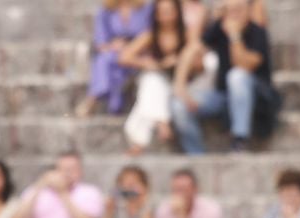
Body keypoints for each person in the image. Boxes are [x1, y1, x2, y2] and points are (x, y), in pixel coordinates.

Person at [172, 0, 275, 155]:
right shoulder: (219, 28)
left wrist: (234, 37)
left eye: (238, 9)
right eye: (230, 10)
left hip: (256, 97)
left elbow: (245, 65)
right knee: (178, 105)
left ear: (248, 10)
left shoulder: (258, 33)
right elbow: (191, 50)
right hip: (222, 96)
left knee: (237, 76)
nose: (234, 14)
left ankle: (240, 140)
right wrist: (180, 86)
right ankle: (196, 155)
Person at [119, 0, 193, 154]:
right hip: (158, 81)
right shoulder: (151, 35)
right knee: (153, 81)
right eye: (162, 12)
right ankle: (162, 122)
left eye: (169, 11)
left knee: (148, 96)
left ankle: (139, 141)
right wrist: (148, 63)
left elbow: (198, 55)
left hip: (183, 83)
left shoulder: (186, 34)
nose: (165, 16)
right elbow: (124, 57)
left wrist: (181, 62)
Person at [85, 0, 151, 118]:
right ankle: (114, 102)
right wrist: (113, 46)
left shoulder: (145, 8)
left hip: (137, 54)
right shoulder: (106, 10)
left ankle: (92, 99)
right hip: (113, 53)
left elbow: (150, 35)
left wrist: (130, 47)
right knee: (107, 59)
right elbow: (100, 42)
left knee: (108, 61)